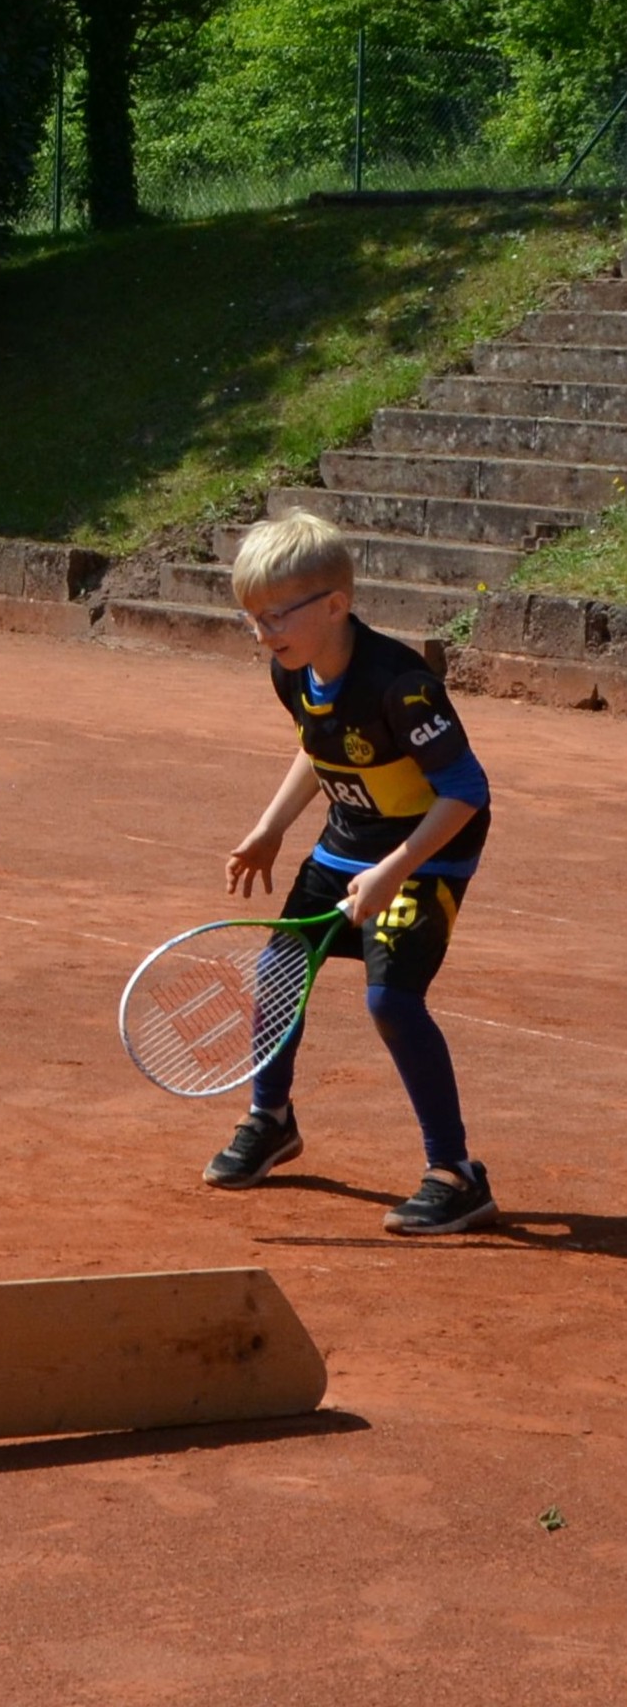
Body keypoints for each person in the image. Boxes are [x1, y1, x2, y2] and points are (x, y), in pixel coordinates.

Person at [207, 510, 495, 1235]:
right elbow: (321, 747)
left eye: (276, 615)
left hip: (428, 849)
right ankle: (271, 1119)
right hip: (348, 842)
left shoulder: (402, 685)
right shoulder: (292, 670)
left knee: (391, 1000)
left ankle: (456, 1174)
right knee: (279, 972)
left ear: (335, 604)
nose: (263, 632)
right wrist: (271, 827)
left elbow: (466, 790)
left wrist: (396, 870)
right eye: (253, 617)